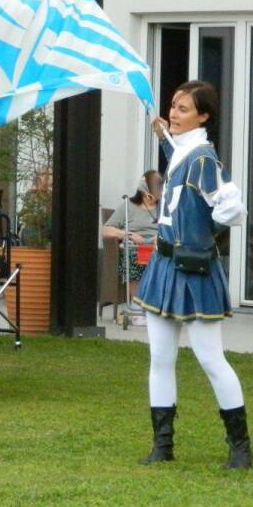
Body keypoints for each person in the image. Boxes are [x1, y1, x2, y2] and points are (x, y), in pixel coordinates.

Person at [134, 80, 250, 469]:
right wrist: (164, 134)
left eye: (184, 109)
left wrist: (210, 226)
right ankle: (162, 446)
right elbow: (178, 154)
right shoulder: (184, 151)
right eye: (173, 106)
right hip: (165, 265)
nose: (174, 113)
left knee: (212, 359)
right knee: (160, 359)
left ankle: (240, 448)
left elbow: (227, 208)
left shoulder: (203, 159)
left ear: (204, 116)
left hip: (195, 269)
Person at [102, 170, 163, 296]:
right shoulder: (128, 205)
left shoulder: (164, 208)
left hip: (157, 244)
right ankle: (138, 304)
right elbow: (106, 230)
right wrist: (129, 235)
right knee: (132, 253)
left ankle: (160, 303)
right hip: (135, 246)